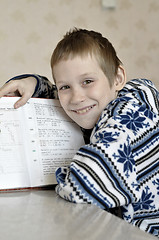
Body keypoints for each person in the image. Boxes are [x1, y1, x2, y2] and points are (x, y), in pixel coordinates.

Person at [0, 28, 159, 237]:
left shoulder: (129, 114)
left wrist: (60, 172)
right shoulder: (107, 104)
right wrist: (34, 83)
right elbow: (57, 95)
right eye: (65, 86)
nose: (76, 98)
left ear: (118, 77)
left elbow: (86, 187)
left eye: (87, 82)